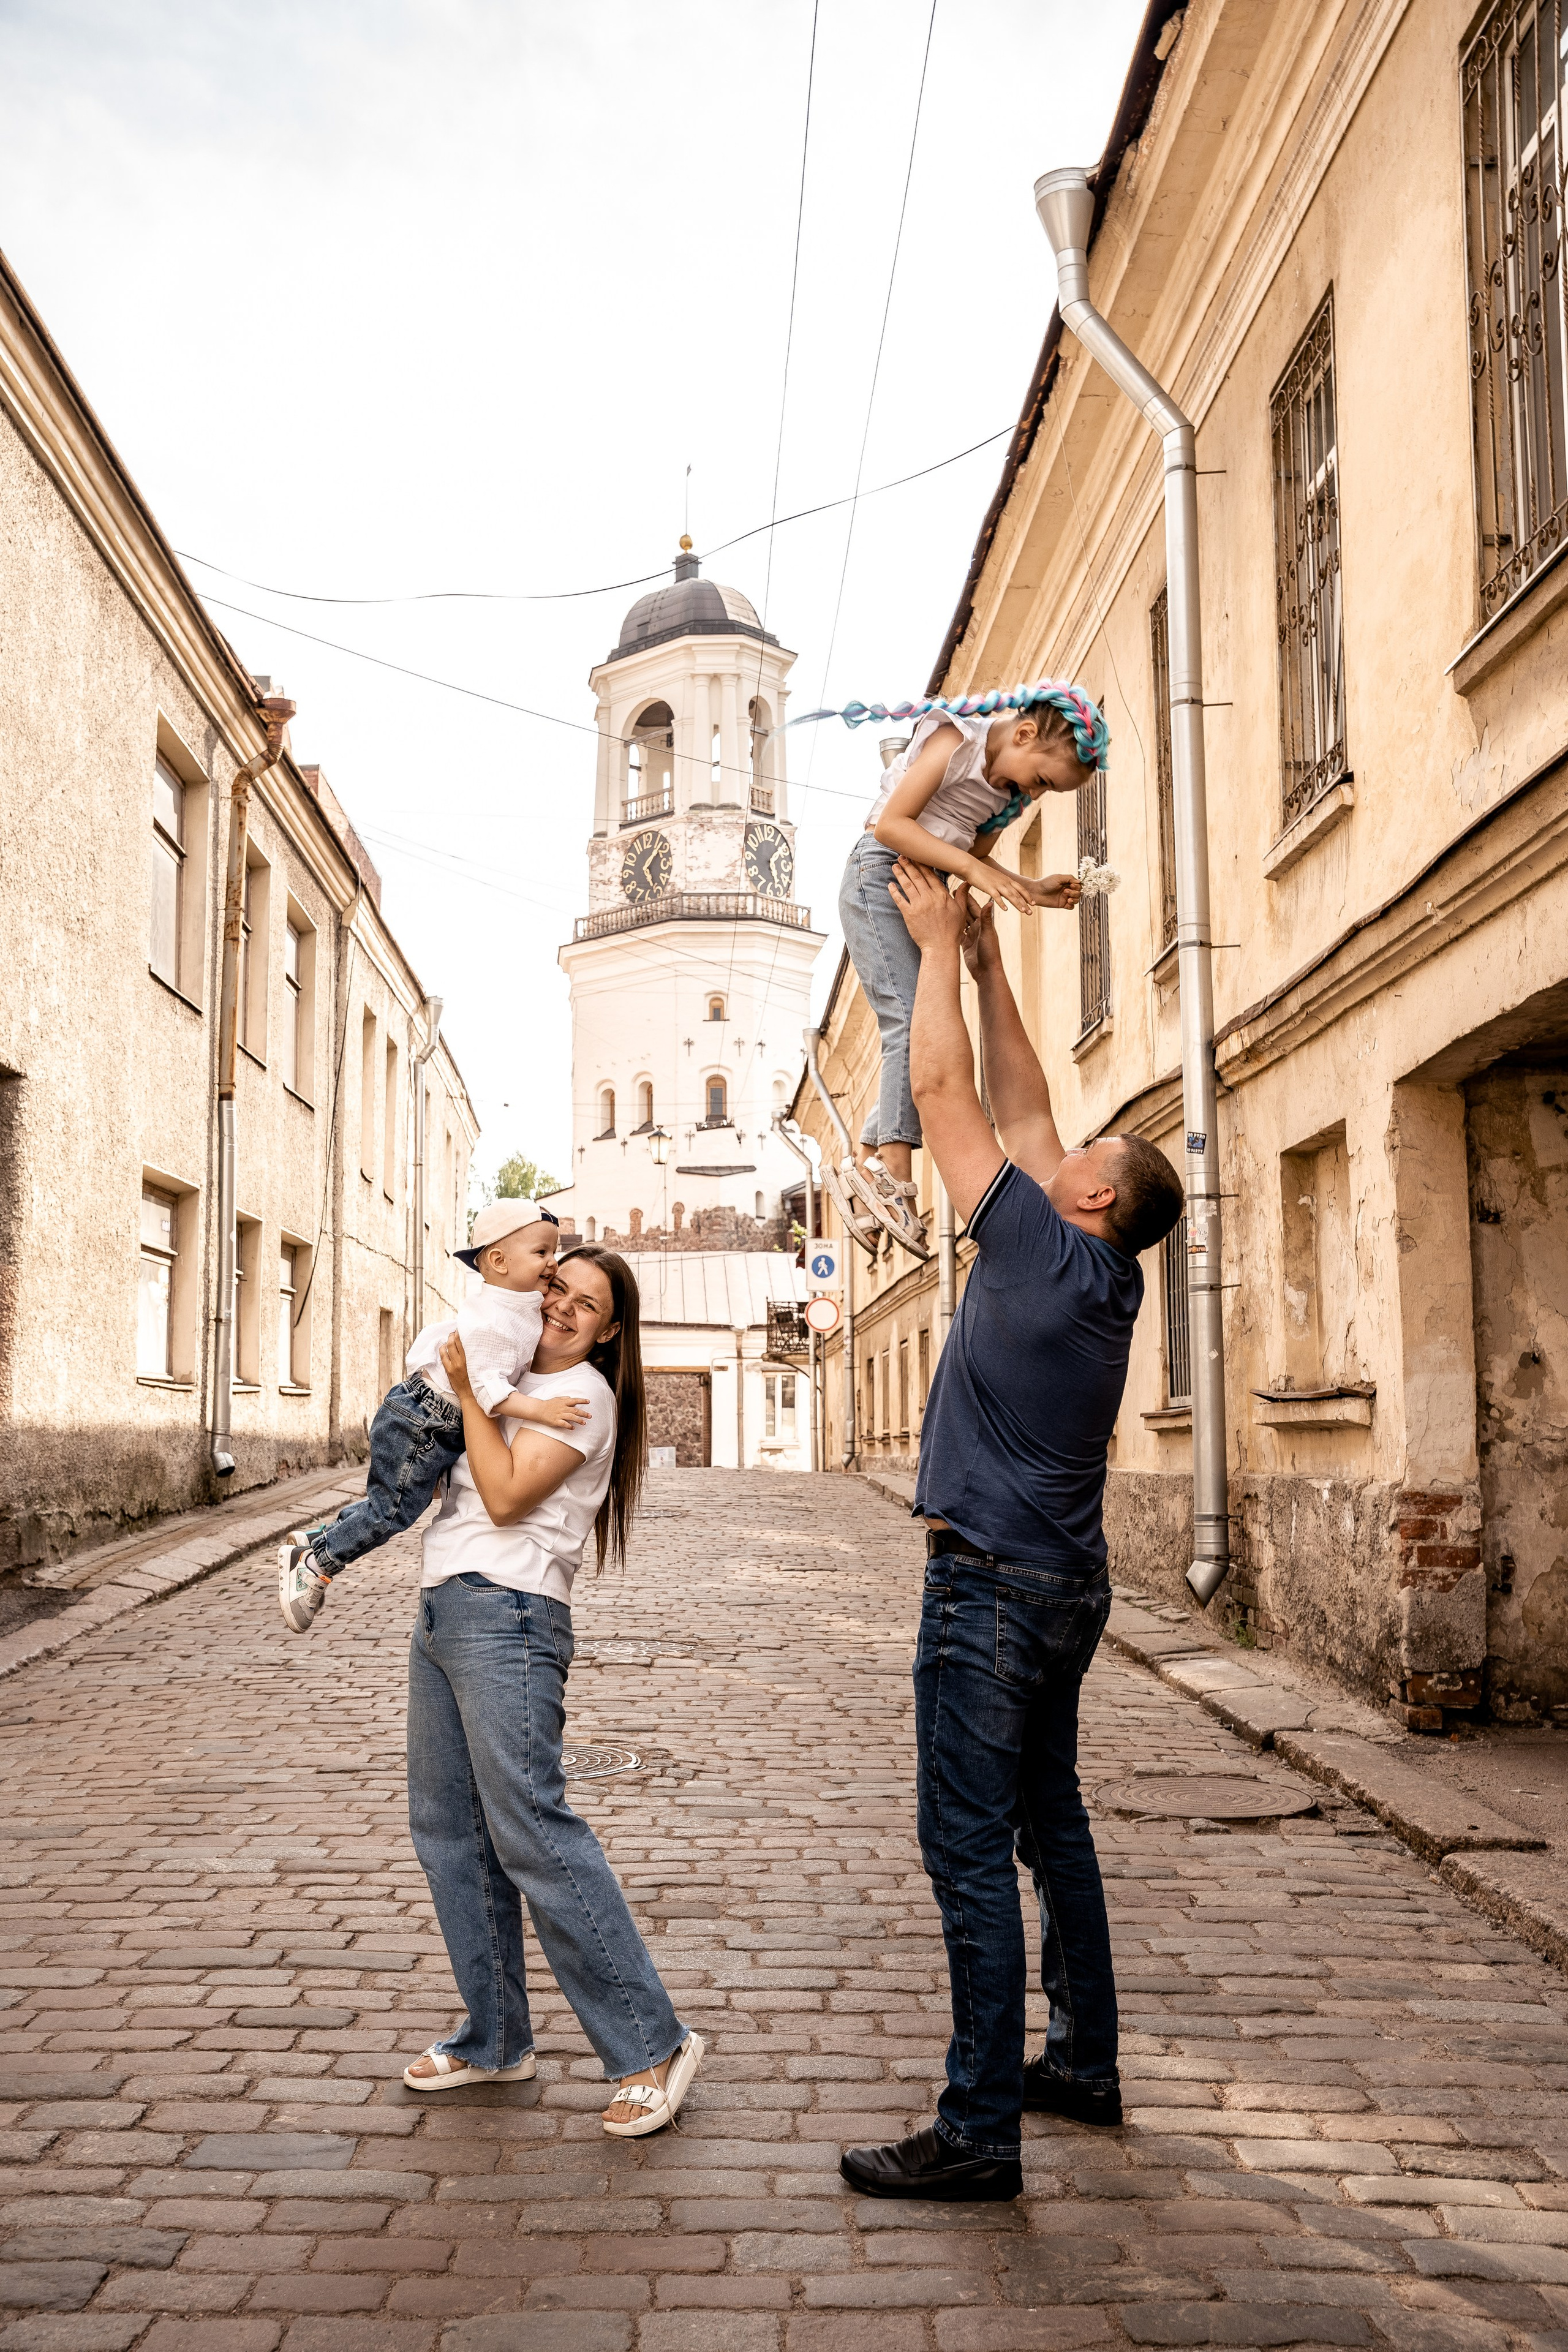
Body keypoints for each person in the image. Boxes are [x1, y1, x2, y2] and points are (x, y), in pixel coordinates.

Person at [840, 861, 1185, 2204]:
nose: (1065, 1149)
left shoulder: (1043, 1248)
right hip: (1061, 1586)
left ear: (1090, 1198)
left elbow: (945, 1103)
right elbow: (1027, 1105)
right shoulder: (1094, 1262)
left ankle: (979, 2128)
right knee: (1054, 1827)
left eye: (1084, 1160)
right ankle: (1082, 2063)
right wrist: (986, 967)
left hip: (987, 1592)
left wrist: (928, 944)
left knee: (967, 1852)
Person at [401, 1243, 704, 2136]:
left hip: (513, 1618)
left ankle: (653, 2042)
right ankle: (495, 2039)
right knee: (451, 1833)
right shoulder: (512, 1378)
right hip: (447, 1606)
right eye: (555, 1288)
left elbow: (499, 1497)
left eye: (587, 1304)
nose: (564, 1308)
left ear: (611, 1330)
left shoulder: (585, 1399)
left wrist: (462, 1386)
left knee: (532, 1828)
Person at [831, 683, 1106, 1253]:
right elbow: (892, 826)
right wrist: (976, 875)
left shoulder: (1007, 792)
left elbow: (973, 860)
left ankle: (861, 1163)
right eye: (1043, 780)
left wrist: (1031, 887)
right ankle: (895, 1177)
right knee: (911, 1023)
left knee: (932, 1028)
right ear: (1024, 734)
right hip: (879, 876)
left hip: (920, 888)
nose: (1036, 792)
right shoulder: (956, 740)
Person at [278, 1202, 588, 1634]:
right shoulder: (496, 1320)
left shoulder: (516, 1303)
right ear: (499, 1261)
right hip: (426, 1419)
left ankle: (317, 1540)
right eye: (542, 1253)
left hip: (431, 1416)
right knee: (394, 1511)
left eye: (554, 1253)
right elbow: (488, 1392)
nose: (553, 1264)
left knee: (391, 1502)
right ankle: (319, 1560)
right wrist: (541, 1410)